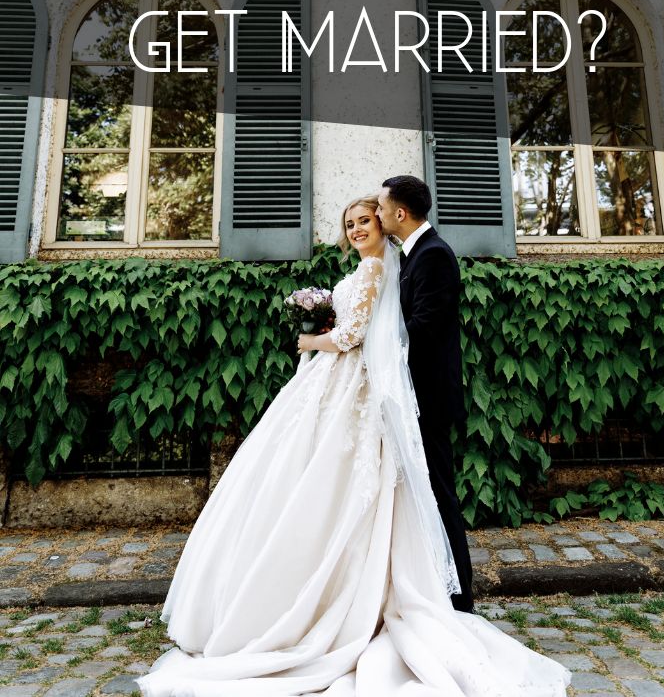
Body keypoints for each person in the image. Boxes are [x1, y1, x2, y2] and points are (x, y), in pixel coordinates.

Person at [138, 195, 570, 697]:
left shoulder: (379, 268)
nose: (359, 228)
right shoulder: (381, 265)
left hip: (351, 385)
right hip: (339, 387)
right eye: (351, 223)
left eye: (366, 219)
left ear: (387, 221)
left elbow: (355, 335)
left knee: (336, 484)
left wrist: (311, 341)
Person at [376, 174, 474, 612]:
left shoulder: (434, 256)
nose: (377, 215)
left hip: (428, 399)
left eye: (380, 208)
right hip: (411, 395)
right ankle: (432, 590)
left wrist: (373, 350)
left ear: (400, 213)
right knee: (423, 493)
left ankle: (461, 599)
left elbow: (424, 328)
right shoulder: (411, 255)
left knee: (439, 493)